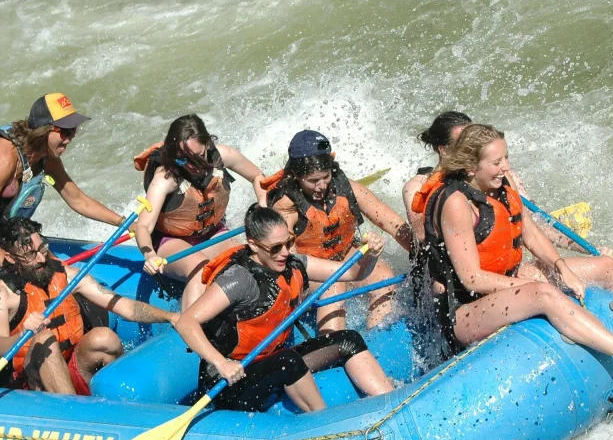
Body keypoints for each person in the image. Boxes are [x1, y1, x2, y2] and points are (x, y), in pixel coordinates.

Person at [420, 123, 613, 378]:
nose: (506, 167)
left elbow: (532, 235)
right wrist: (525, 284)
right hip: (466, 313)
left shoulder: (502, 186)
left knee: (604, 266)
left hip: (508, 281)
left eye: (506, 158)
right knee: (541, 292)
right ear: (470, 167)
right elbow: (471, 279)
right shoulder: (456, 204)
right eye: (496, 162)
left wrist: (562, 268)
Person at [0, 93, 126, 355]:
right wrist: (8, 265)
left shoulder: (47, 158)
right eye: (64, 131)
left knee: (51, 273)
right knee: (20, 285)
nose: (70, 137)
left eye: (74, 130)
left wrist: (123, 223)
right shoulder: (4, 157)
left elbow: (76, 198)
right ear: (44, 131)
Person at [173, 205, 395, 413]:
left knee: (349, 339)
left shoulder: (294, 262)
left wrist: (372, 255)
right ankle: (325, 422)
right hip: (231, 380)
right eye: (275, 248)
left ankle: (391, 405)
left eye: (288, 243)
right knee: (288, 361)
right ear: (253, 245)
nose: (285, 253)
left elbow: (353, 274)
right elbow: (186, 322)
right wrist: (222, 363)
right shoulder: (239, 279)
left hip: (270, 358)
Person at [0, 217, 178, 394]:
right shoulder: (2, 293)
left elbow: (124, 306)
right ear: (10, 258)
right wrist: (23, 333)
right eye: (30, 256)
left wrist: (170, 317)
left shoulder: (67, 276)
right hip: (32, 383)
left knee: (104, 338)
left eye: (42, 249)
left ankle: (115, 402)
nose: (42, 259)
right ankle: (71, 413)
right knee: (44, 339)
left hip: (71, 366)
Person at [264, 130, 412, 332]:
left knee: (384, 278)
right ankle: (333, 345)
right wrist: (335, 273)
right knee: (333, 287)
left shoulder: (348, 188)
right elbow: (285, 259)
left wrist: (421, 252)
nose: (321, 186)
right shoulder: (286, 207)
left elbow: (393, 225)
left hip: (344, 254)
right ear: (296, 176)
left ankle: (379, 336)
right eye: (313, 180)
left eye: (326, 177)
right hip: (309, 268)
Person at [134, 114, 268, 308]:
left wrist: (263, 207)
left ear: (207, 145)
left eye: (196, 158)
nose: (191, 165)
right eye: (183, 160)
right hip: (171, 243)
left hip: (213, 235)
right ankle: (190, 327)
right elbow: (144, 226)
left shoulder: (223, 155)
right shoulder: (165, 178)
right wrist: (150, 256)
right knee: (201, 269)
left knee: (256, 257)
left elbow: (258, 177)